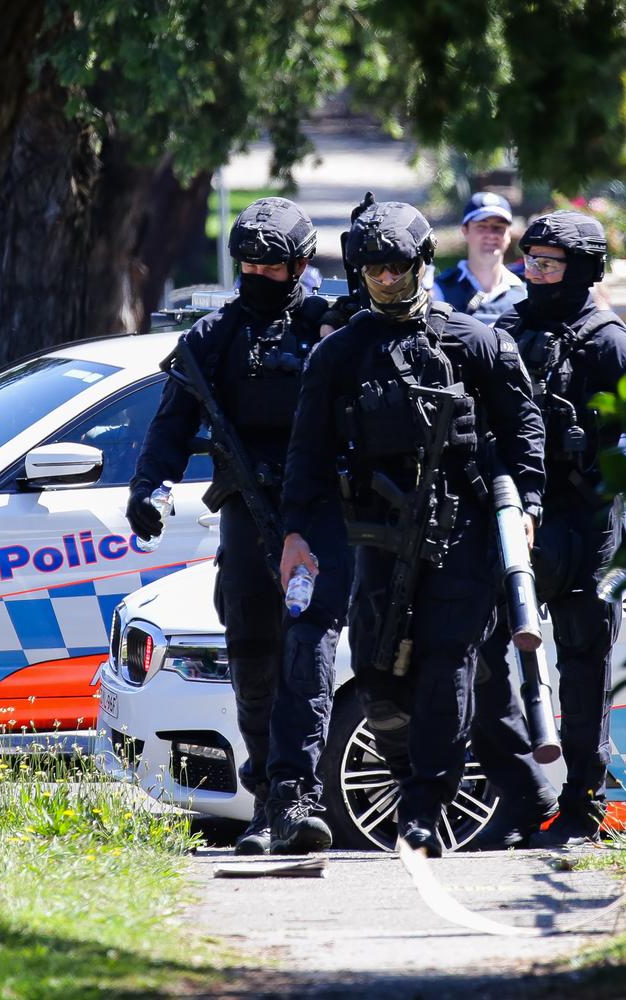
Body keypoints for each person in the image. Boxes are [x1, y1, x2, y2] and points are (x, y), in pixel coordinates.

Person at [280, 200, 545, 858]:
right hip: (376, 537)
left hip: (462, 532)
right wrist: (294, 532)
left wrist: (528, 508)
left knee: (445, 664)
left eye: (398, 267)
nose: (387, 280)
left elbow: (524, 431)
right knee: (377, 679)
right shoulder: (340, 354)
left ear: (423, 263)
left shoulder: (474, 341)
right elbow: (306, 452)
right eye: (373, 270)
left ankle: (426, 800)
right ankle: (413, 774)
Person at [126, 197, 351, 856]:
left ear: (301, 265)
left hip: (316, 519)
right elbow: (171, 425)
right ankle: (264, 801)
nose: (256, 273)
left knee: (307, 657)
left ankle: (297, 795)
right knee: (253, 662)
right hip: (246, 521)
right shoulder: (213, 338)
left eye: (270, 265)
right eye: (247, 263)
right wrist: (150, 490)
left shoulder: (329, 331)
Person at [473, 210, 626, 849]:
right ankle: (517, 795)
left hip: (588, 522)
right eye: (529, 261)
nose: (534, 274)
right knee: (480, 646)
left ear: (581, 270)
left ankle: (582, 802)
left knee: (585, 661)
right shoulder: (503, 331)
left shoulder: (609, 342)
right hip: (518, 516)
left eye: (548, 264)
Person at [432, 191, 526, 326]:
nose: (491, 235)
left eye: (498, 227)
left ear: (509, 234)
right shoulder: (439, 291)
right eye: (481, 226)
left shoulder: (524, 292)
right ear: (465, 231)